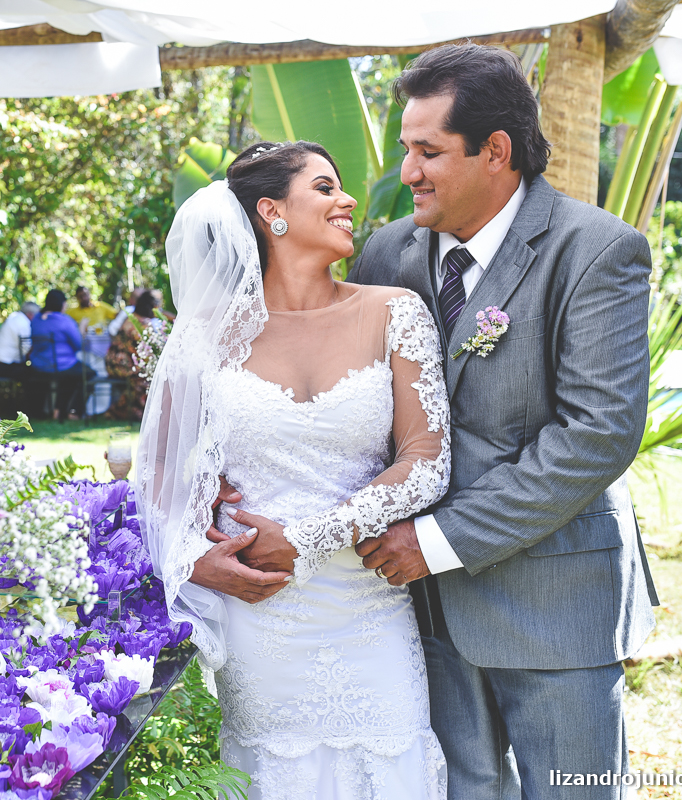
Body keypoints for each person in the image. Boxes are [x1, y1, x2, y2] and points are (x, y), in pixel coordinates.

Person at [347, 45, 657, 799]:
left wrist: (435, 540)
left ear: (495, 151)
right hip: (416, 616)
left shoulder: (597, 251)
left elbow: (597, 435)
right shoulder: (386, 253)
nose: (408, 171)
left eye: (429, 152)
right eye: (406, 150)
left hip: (554, 606)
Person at [137, 143, 450, 798]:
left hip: (368, 605)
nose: (348, 201)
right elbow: (158, 473)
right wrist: (193, 560)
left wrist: (306, 540)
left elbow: (427, 462)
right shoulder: (205, 336)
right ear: (271, 211)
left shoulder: (395, 311)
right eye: (325, 187)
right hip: (259, 616)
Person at [30, 289, 95, 420]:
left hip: (38, 366)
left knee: (70, 376)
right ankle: (74, 412)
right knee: (89, 374)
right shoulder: (64, 320)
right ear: (61, 304)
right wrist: (82, 328)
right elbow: (79, 345)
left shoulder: (36, 319)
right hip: (61, 366)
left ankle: (58, 411)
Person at [104, 289, 162, 421]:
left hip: (114, 363)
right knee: (149, 379)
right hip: (122, 365)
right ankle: (133, 412)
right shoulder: (142, 324)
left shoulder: (132, 318)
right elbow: (147, 352)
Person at [0, 301, 40, 379]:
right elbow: (27, 351)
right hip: (6, 367)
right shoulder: (24, 323)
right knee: (37, 374)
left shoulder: (15, 317)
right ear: (30, 314)